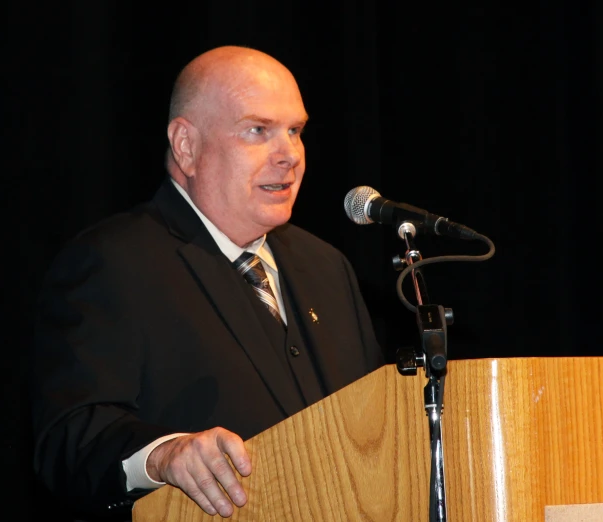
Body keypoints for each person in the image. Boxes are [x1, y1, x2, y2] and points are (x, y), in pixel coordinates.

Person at [30, 45, 385, 521]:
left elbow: (376, 427)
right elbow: (69, 439)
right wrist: (164, 455)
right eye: (257, 130)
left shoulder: (326, 267)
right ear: (186, 145)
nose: (289, 155)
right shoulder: (114, 262)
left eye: (295, 131)